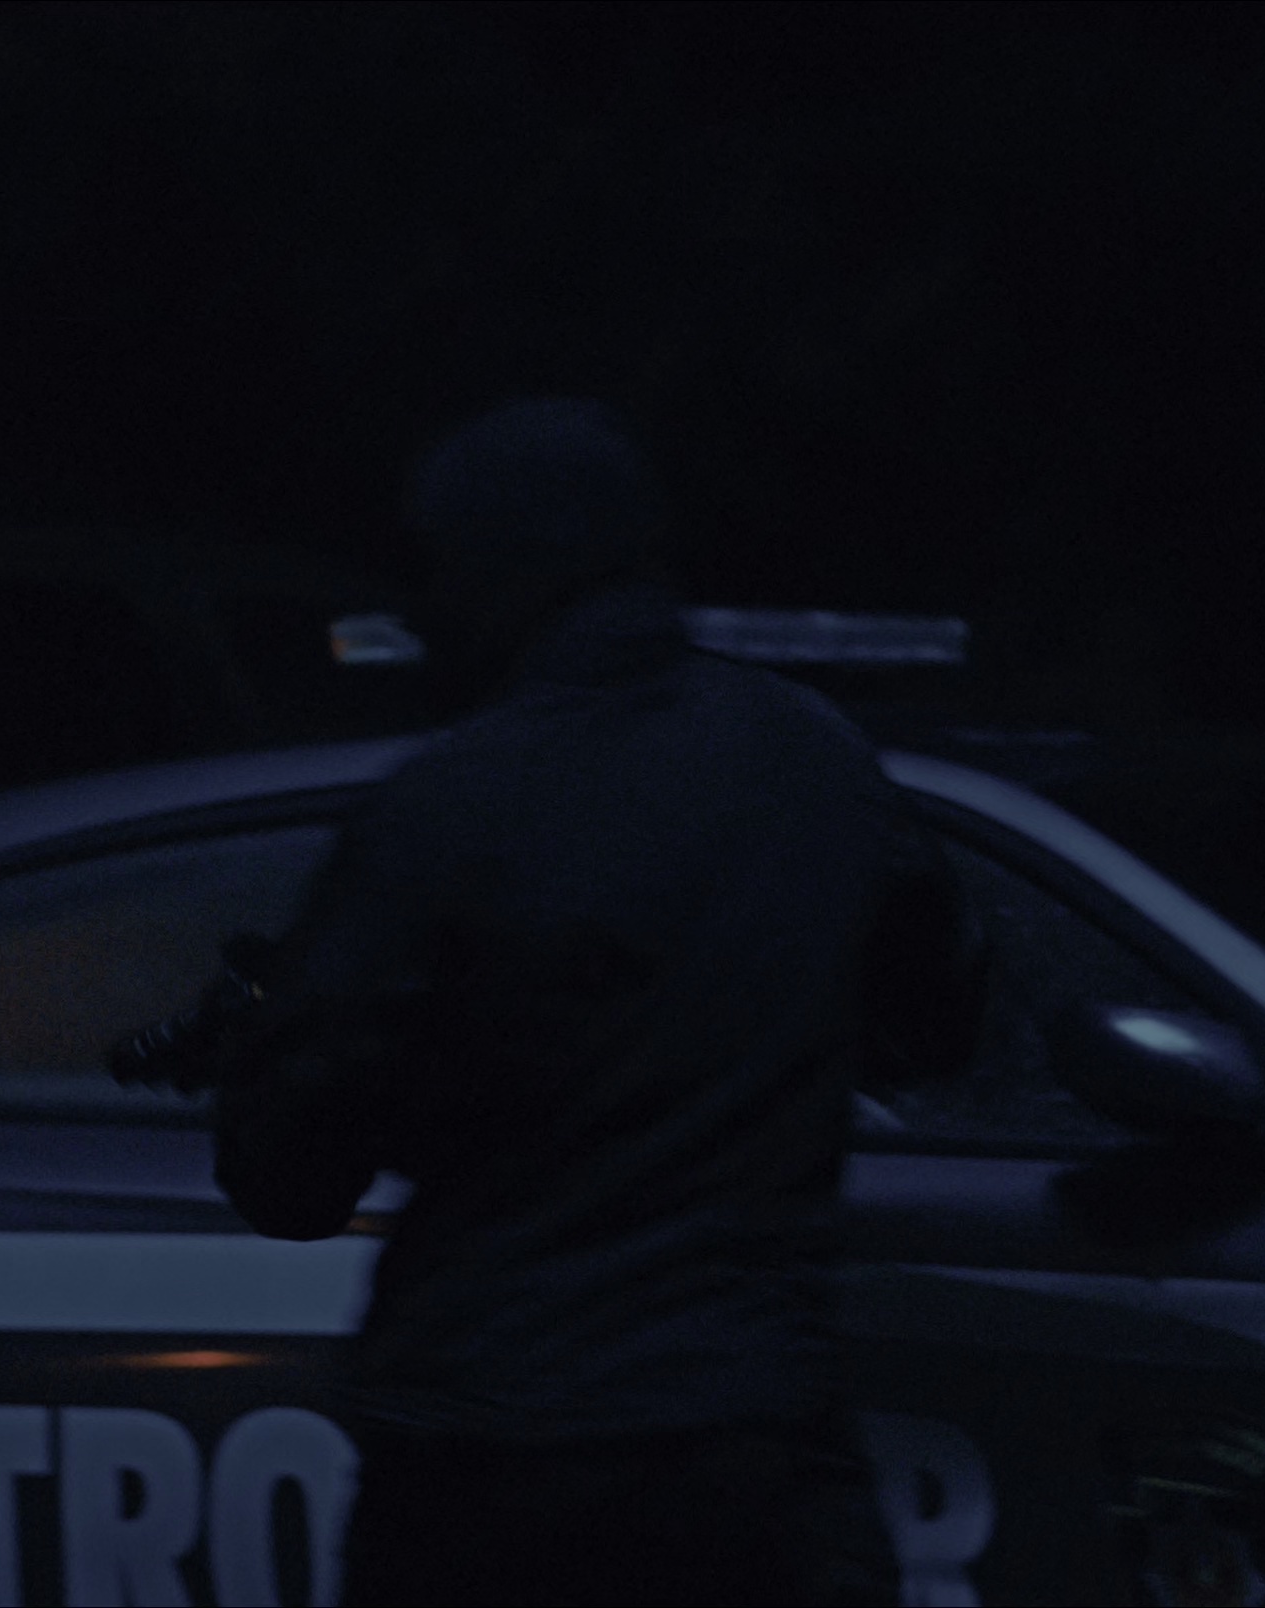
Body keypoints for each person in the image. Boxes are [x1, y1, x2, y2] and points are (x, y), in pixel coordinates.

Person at [109, 397, 984, 1607]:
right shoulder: (819, 759)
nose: (419, 613)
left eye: (434, 573)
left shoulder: (450, 803)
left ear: (505, 577)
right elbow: (937, 1024)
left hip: (489, 1460)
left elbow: (290, 1179)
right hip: (754, 1452)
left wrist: (281, 1040)